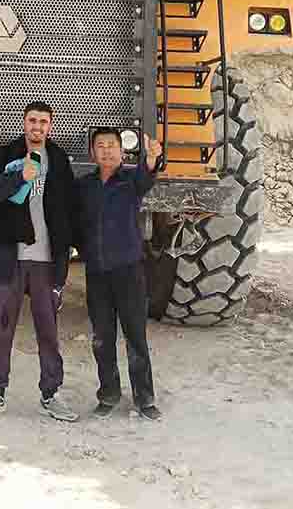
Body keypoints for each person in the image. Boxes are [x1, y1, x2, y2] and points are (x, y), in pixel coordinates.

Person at [0, 101, 78, 422]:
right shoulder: (3, 155)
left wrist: (68, 250)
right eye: (32, 120)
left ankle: (51, 393)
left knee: (49, 331)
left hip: (46, 260)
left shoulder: (58, 159)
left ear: (50, 126)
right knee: (1, 328)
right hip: (9, 257)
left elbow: (70, 207)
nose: (37, 127)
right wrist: (18, 178)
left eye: (43, 122)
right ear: (24, 123)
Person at [74, 129, 164, 421]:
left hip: (128, 271)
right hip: (97, 273)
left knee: (135, 336)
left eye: (112, 145)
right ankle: (109, 394)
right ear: (92, 154)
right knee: (102, 338)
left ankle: (145, 398)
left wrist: (152, 158)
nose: (107, 150)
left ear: (122, 152)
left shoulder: (130, 181)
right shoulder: (84, 186)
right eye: (100, 146)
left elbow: (146, 176)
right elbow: (75, 223)